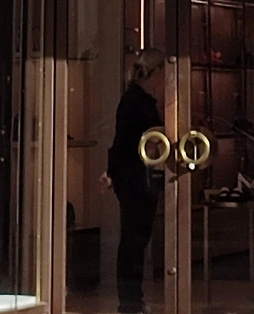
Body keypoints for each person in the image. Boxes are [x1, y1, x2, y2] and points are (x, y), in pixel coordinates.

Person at [100, 49, 165, 314]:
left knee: (136, 240)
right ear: (156, 71)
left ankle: (132, 300)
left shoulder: (138, 100)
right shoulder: (136, 101)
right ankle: (129, 301)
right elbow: (124, 142)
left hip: (135, 175)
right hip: (135, 178)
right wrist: (112, 172)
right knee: (133, 240)